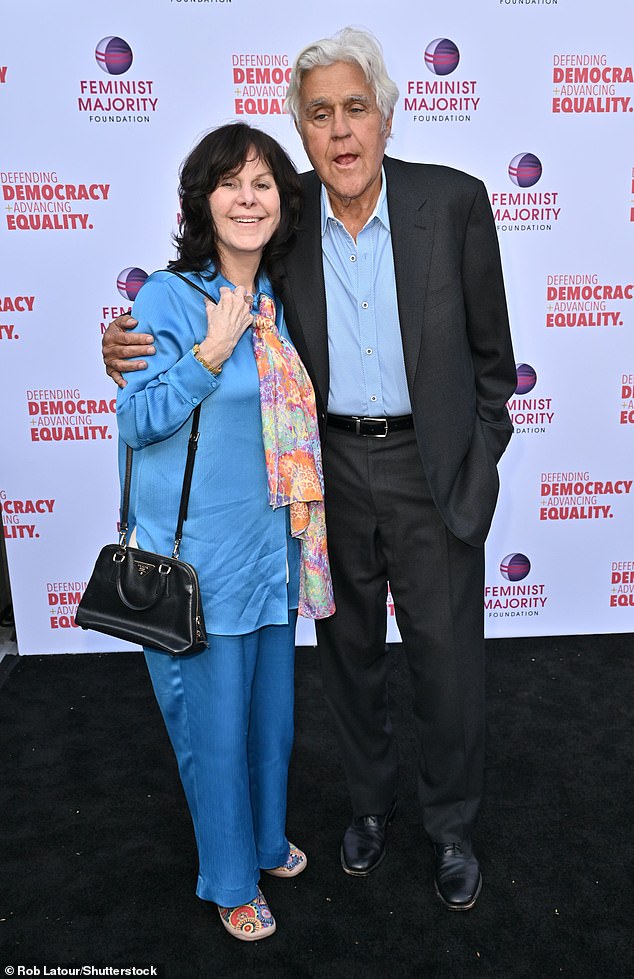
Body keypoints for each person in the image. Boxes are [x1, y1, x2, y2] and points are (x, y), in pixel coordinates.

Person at [103, 27, 516, 912]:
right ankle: (369, 809)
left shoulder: (454, 203)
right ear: (301, 127)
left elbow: (493, 361)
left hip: (429, 470)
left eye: (355, 109)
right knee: (349, 659)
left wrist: (477, 463)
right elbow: (203, 267)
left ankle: (449, 826)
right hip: (324, 471)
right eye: (320, 114)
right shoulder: (283, 215)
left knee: (447, 665)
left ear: (385, 114)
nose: (341, 132)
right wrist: (126, 347)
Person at [114, 122, 334, 941]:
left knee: (270, 721)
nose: (248, 198)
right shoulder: (168, 299)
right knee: (212, 730)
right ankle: (230, 878)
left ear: (283, 203)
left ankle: (267, 841)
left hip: (271, 554)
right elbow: (136, 419)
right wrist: (208, 353)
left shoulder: (278, 297)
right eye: (230, 183)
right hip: (197, 565)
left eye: (264, 184)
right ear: (202, 201)